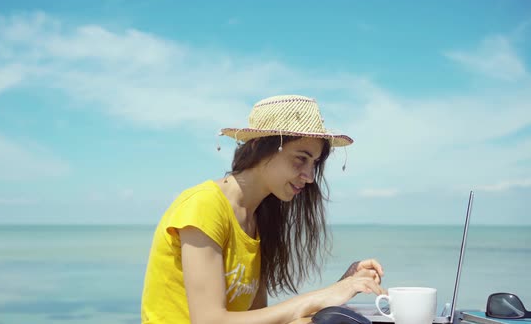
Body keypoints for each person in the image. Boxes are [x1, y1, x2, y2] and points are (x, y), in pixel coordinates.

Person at [141, 94, 385, 324]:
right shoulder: (204, 205)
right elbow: (209, 320)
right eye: (301, 158)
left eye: (315, 163)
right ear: (260, 146)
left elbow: (260, 319)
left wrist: (342, 289)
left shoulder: (260, 217)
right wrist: (320, 296)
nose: (310, 176)